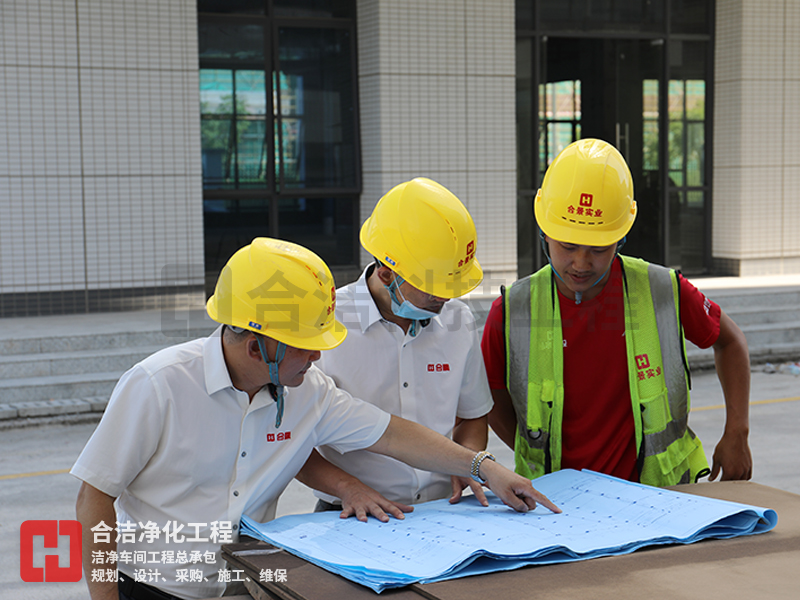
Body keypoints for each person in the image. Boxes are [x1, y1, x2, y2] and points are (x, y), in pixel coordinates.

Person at [73, 237, 559, 600]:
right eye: (308, 345)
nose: (319, 358)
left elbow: (393, 434)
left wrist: (485, 468)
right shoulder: (159, 386)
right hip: (155, 586)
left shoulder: (309, 394)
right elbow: (95, 497)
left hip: (248, 582)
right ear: (259, 344)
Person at [481, 138, 753, 488]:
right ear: (544, 233)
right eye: (567, 246)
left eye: (598, 248)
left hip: (659, 496)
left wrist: (737, 432)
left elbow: (730, 342)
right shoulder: (512, 310)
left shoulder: (662, 291)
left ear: (620, 238)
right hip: (558, 502)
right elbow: (488, 397)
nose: (581, 263)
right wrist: (534, 448)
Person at [297, 178, 492, 519]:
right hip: (348, 513)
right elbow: (290, 441)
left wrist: (467, 460)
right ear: (387, 273)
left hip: (443, 510)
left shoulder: (458, 321)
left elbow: (474, 416)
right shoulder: (327, 324)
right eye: (432, 287)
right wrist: (348, 488)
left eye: (451, 285)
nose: (444, 297)